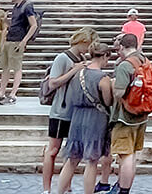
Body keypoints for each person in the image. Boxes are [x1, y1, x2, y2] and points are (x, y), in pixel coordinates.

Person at [43, 27, 98, 194]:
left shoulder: (81, 58)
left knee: (71, 152)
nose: (90, 49)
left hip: (75, 112)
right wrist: (74, 70)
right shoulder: (63, 58)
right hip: (61, 110)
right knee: (53, 150)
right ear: (82, 41)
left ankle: (66, 185)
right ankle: (46, 188)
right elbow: (53, 83)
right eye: (89, 44)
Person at [54, 42, 112, 194]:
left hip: (77, 117)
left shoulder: (77, 74)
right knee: (92, 162)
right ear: (105, 56)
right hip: (96, 119)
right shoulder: (103, 78)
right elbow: (108, 101)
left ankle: (58, 191)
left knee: (71, 160)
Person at [109, 33, 149, 194]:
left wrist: (110, 84)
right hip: (141, 113)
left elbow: (119, 92)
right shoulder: (144, 60)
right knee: (132, 154)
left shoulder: (125, 65)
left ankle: (123, 189)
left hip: (125, 116)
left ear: (122, 47)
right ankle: (126, 187)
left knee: (125, 155)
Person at [0, 0, 39, 105]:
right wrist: (6, 21)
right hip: (10, 38)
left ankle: (13, 93)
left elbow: (33, 24)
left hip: (18, 40)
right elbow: (15, 24)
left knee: (16, 67)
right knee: (5, 67)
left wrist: (24, 40)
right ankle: (1, 92)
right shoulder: (15, 7)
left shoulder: (27, 6)